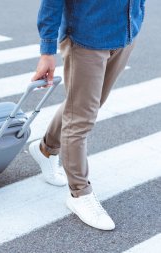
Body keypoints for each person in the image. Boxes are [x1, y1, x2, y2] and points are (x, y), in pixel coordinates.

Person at [29, 0, 146, 230]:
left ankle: (45, 149)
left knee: (84, 105)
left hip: (125, 33)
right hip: (86, 38)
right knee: (81, 119)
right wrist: (47, 50)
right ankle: (79, 194)